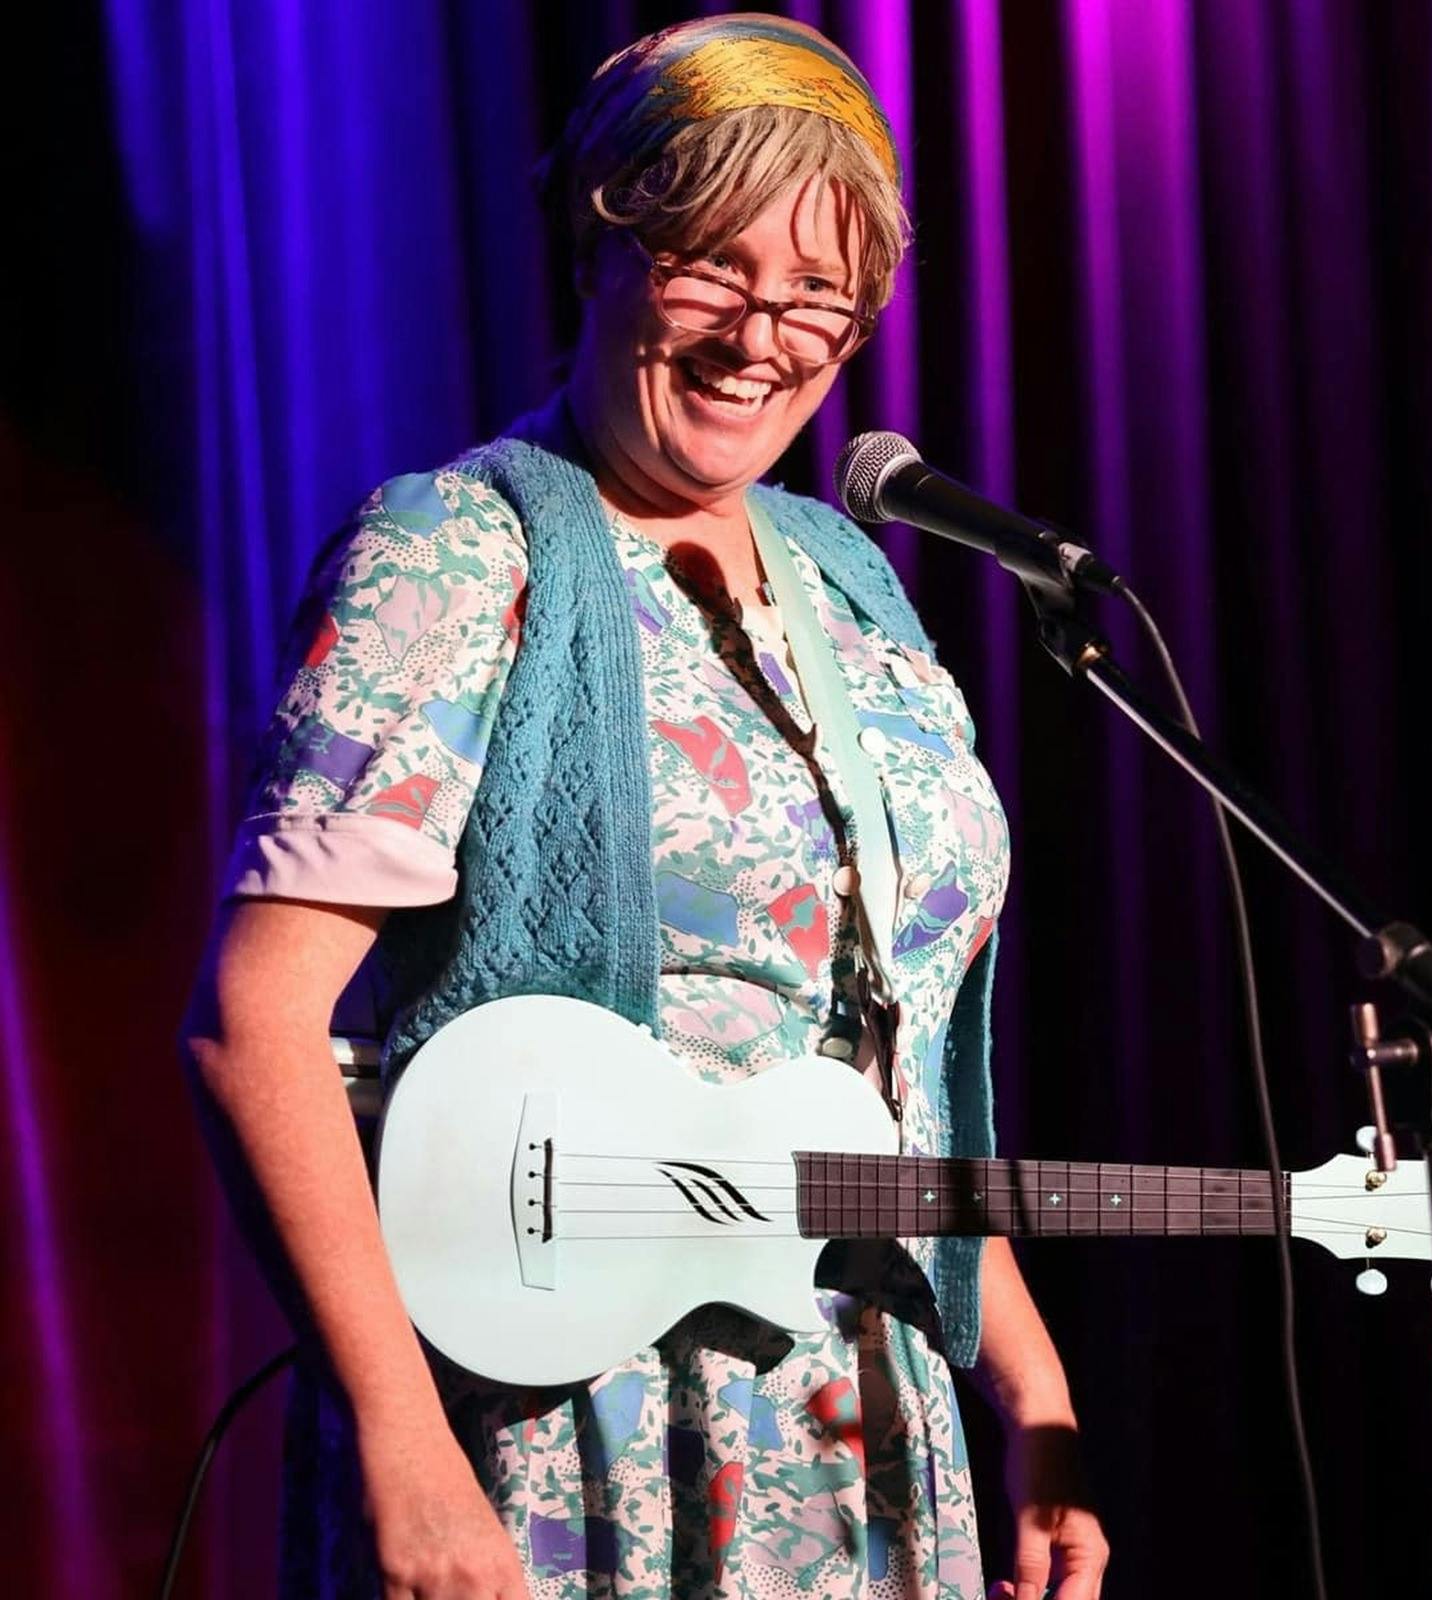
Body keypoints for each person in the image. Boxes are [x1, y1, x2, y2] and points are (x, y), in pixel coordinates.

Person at [185, 14, 1110, 1600]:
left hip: (871, 1438)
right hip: (566, 1435)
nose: (765, 331)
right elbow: (254, 1021)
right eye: (711, 268)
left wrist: (1036, 1403)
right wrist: (403, 1446)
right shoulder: (462, 550)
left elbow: (881, 1093)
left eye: (820, 292)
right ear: (597, 246)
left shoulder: (855, 583)